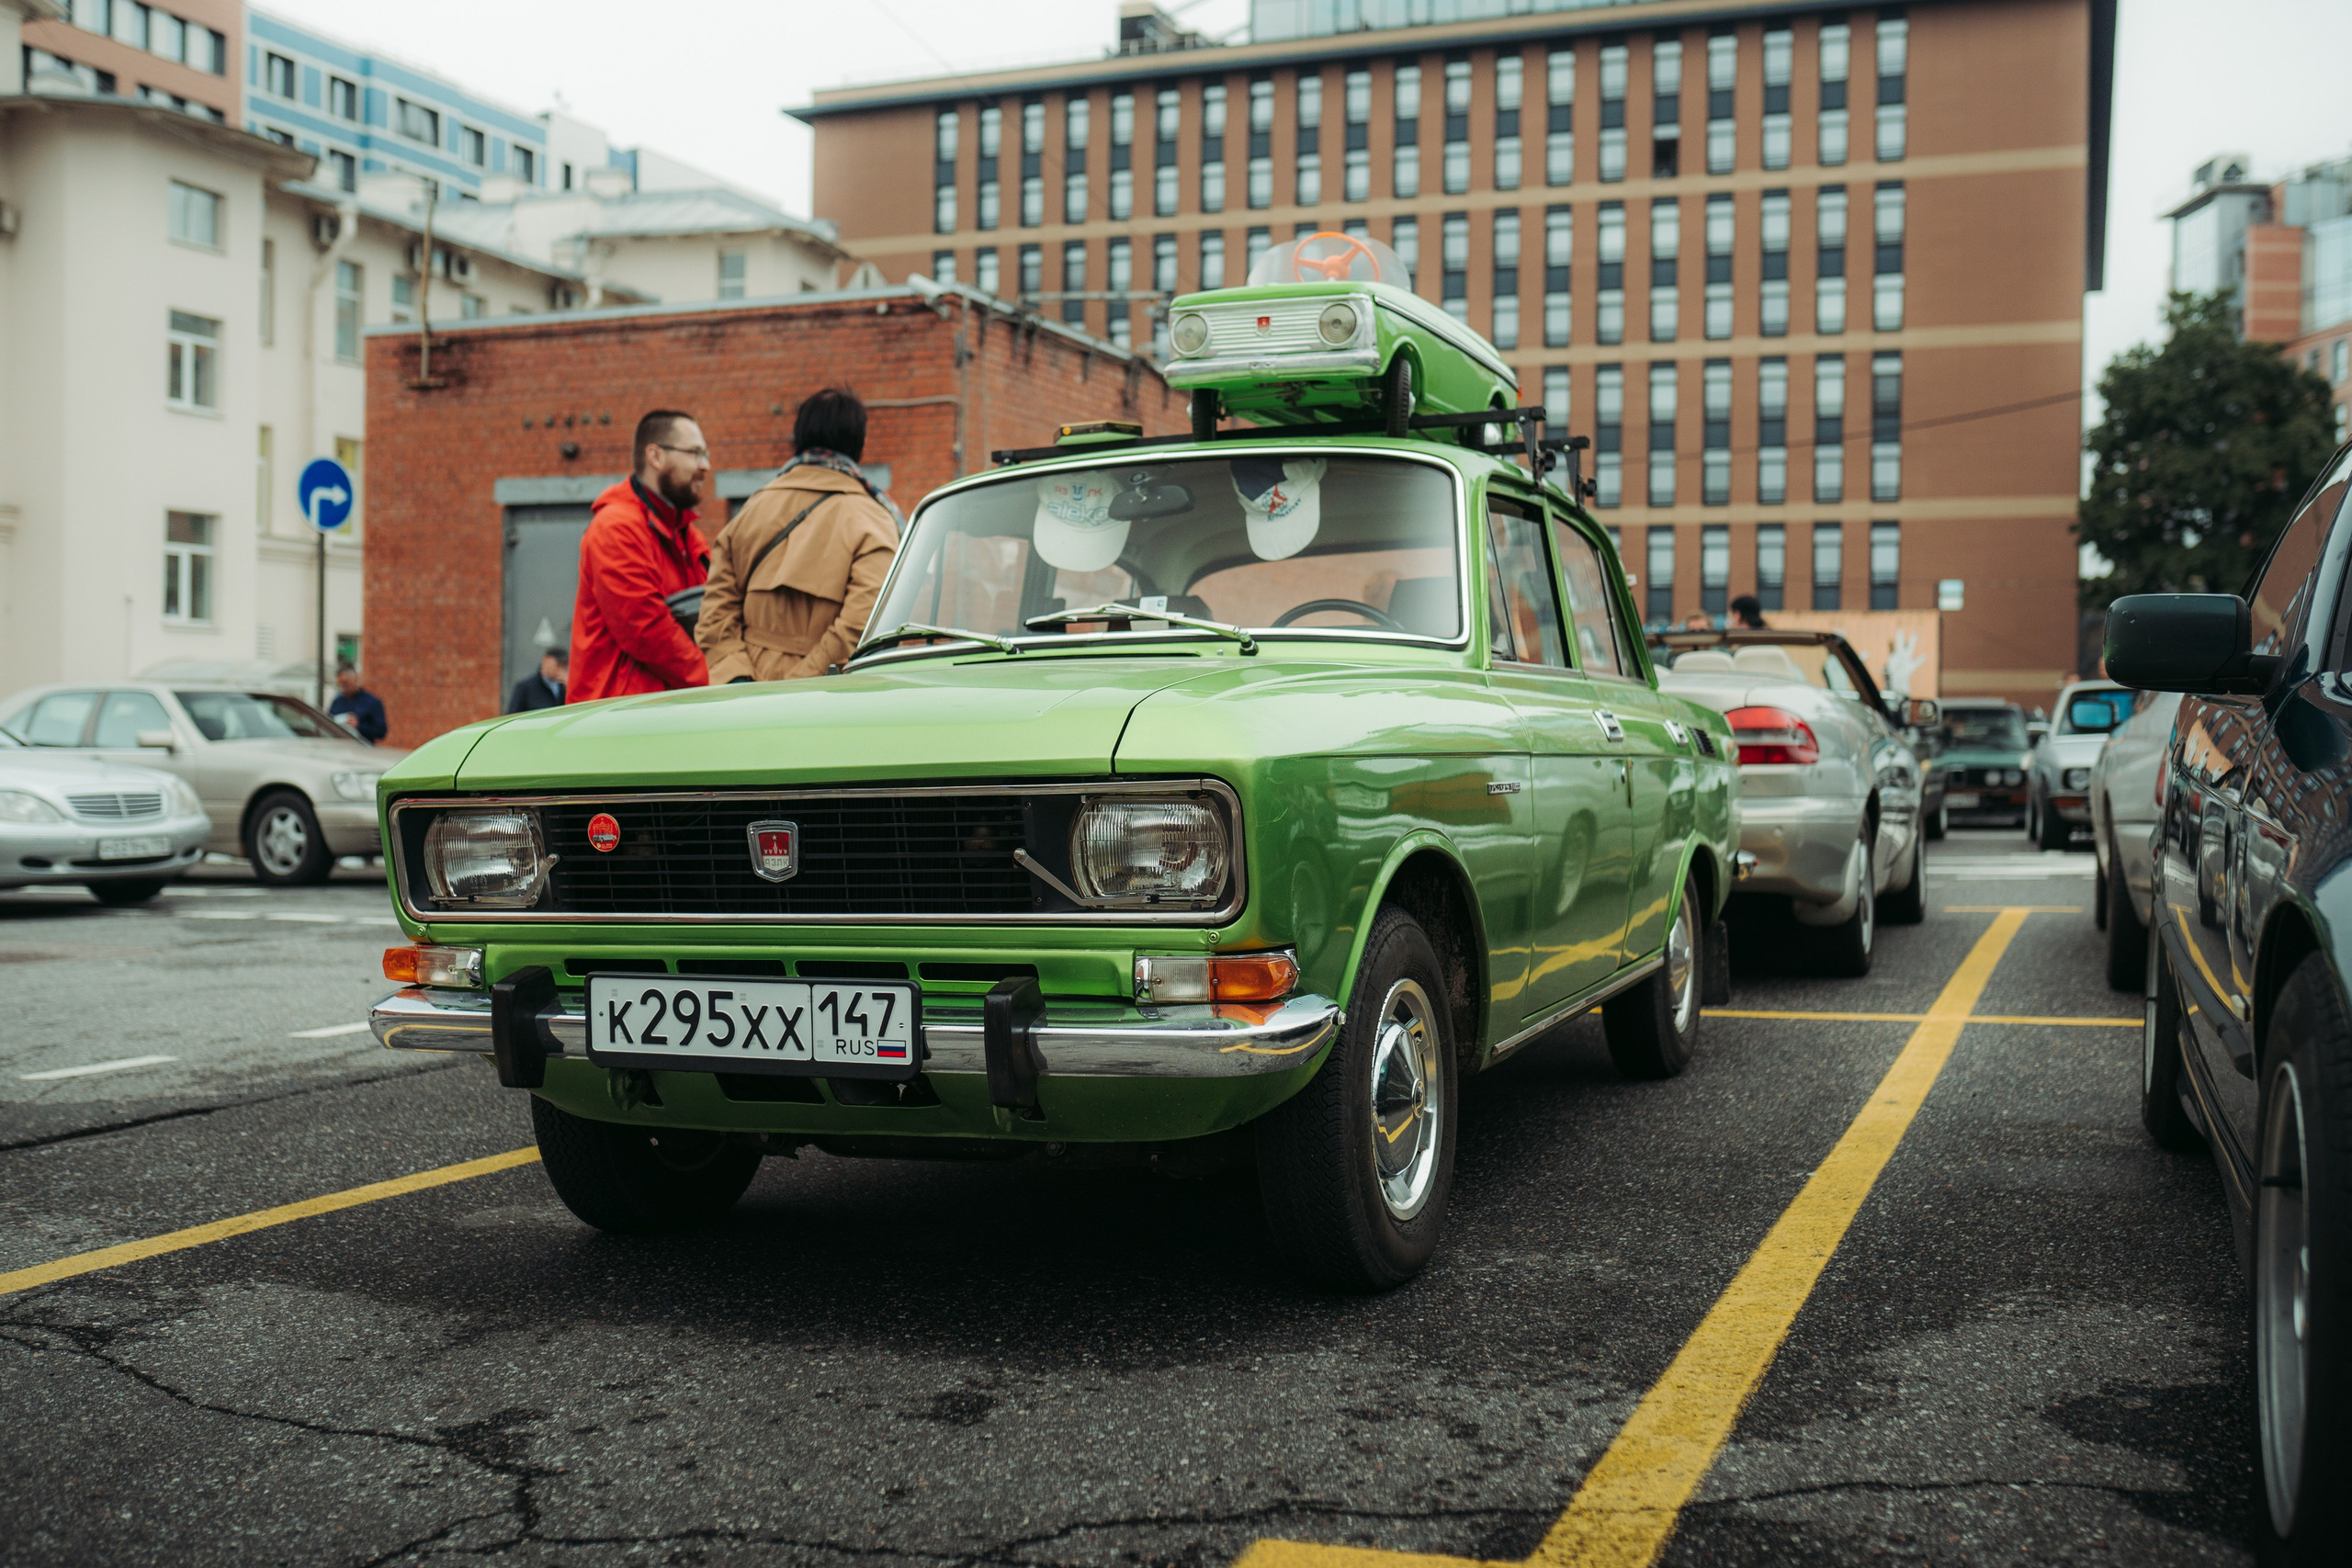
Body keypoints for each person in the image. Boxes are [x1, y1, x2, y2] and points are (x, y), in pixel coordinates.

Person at [697, 388, 900, 683]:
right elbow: (864, 623)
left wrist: (738, 679)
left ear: (798, 437)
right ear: (859, 443)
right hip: (825, 699)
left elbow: (715, 614)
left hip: (742, 700)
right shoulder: (874, 518)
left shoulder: (750, 510)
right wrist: (802, 683)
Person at [570, 410, 713, 704]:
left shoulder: (687, 536)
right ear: (656, 457)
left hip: (664, 713)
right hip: (619, 720)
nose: (706, 466)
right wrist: (717, 679)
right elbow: (645, 630)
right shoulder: (616, 528)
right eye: (695, 453)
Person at [328, 664, 386, 743]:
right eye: (340, 684)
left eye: (345, 683)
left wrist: (359, 726)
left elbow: (381, 732)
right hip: (339, 747)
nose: (342, 687)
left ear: (355, 679)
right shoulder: (337, 702)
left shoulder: (372, 702)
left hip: (363, 749)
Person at [507, 649, 567, 713]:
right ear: (545, 660)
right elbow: (513, 714)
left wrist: (569, 686)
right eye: (558, 665)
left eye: (564, 666)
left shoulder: (563, 687)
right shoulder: (526, 687)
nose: (561, 669)